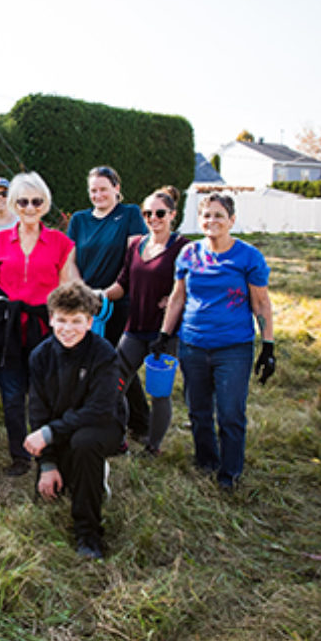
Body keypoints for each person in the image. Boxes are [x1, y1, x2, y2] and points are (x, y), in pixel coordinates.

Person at [158, 192, 275, 489]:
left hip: (233, 349)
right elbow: (177, 297)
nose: (212, 221)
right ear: (199, 220)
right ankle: (207, 463)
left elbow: (261, 303)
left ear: (231, 220)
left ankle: (230, 474)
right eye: (207, 215)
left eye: (219, 215)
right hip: (193, 345)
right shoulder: (189, 254)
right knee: (198, 411)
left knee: (230, 413)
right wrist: (164, 334)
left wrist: (268, 345)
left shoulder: (248, 257)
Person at [0, 171, 79, 475]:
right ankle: (18, 456)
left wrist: (78, 319)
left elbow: (67, 287)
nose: (30, 207)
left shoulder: (62, 243)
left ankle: (45, 452)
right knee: (11, 394)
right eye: (23, 201)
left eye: (37, 201)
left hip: (45, 328)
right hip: (8, 328)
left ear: (45, 205)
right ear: (13, 204)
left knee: (45, 393)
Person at [23, 282, 126, 560]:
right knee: (54, 487)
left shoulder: (104, 354)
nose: (68, 329)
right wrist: (47, 464)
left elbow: (100, 409)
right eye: (62, 320)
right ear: (50, 319)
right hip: (61, 426)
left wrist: (49, 433)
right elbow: (38, 412)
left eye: (77, 321)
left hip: (102, 425)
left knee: (84, 444)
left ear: (90, 322)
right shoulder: (40, 356)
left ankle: (88, 534)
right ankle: (82, 471)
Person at [101, 187, 190, 456]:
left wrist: (175, 299)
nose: (154, 218)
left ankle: (153, 447)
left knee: (159, 391)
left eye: (160, 213)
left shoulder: (182, 247)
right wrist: (97, 296)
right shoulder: (135, 244)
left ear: (172, 215)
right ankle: (119, 439)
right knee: (113, 384)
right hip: (134, 329)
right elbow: (122, 284)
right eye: (148, 213)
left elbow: (189, 287)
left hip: (164, 332)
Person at [66, 165, 149, 436]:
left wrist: (112, 291)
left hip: (119, 301)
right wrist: (83, 292)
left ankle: (138, 422)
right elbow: (70, 261)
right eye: (93, 190)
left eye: (103, 188)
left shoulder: (129, 215)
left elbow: (132, 257)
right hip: (87, 303)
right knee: (91, 363)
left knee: (118, 363)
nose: (98, 194)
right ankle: (99, 417)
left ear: (116, 188)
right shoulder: (79, 220)